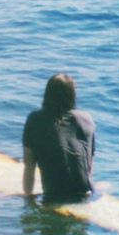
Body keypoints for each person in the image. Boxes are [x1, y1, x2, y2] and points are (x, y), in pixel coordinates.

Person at [21, 73, 95, 202]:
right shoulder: (87, 119)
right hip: (86, 193)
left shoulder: (35, 119)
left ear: (47, 94)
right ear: (73, 95)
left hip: (53, 196)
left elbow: (29, 166)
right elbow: (88, 164)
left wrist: (28, 198)